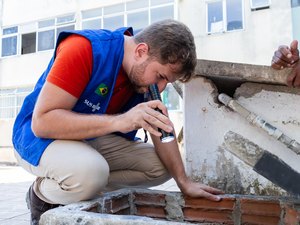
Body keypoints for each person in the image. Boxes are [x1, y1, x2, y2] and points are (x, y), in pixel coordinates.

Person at [12, 19, 223, 225]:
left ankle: (79, 190)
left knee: (162, 166)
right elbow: (42, 122)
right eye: (160, 76)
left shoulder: (146, 79)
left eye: (167, 81)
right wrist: (120, 121)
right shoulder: (84, 49)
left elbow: (162, 132)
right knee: (91, 173)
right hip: (38, 137)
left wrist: (184, 182)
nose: (160, 88)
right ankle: (42, 196)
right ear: (140, 51)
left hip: (88, 139)